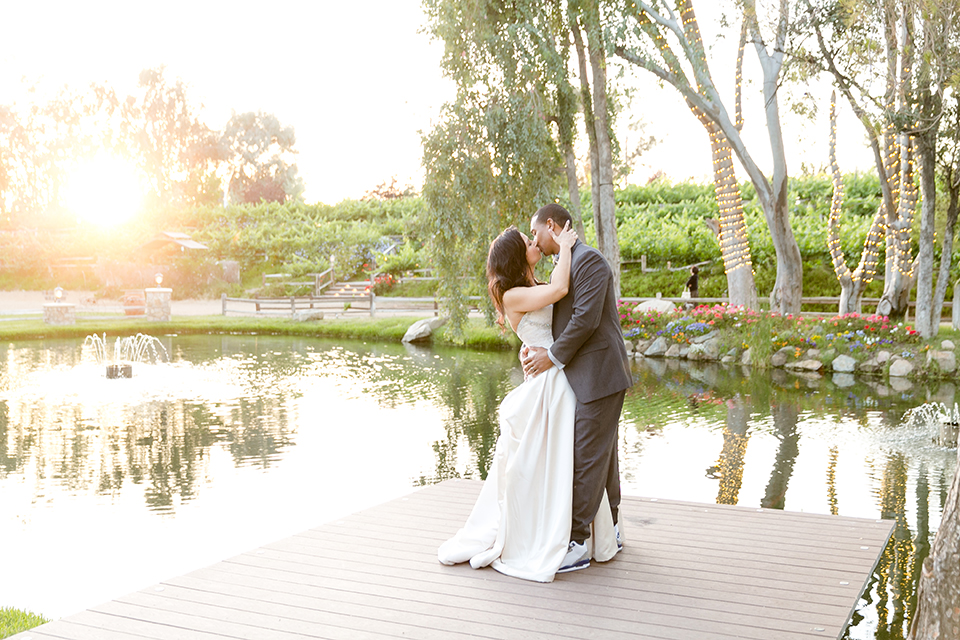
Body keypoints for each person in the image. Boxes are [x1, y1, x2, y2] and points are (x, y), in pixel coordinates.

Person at [437, 220, 617, 582]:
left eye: (532, 236)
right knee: (553, 459)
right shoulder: (512, 294)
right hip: (549, 380)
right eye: (527, 241)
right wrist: (565, 245)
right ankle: (557, 534)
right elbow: (561, 288)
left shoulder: (530, 284)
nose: (534, 242)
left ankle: (584, 533)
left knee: (573, 455)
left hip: (560, 374)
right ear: (518, 256)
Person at [521, 203, 633, 573]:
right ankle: (611, 529)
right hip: (586, 376)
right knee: (603, 457)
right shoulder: (569, 260)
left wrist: (550, 356)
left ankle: (578, 541)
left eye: (536, 232)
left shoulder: (591, 261)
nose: (535, 239)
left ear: (551, 225)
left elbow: (585, 319)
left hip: (600, 374)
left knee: (586, 457)